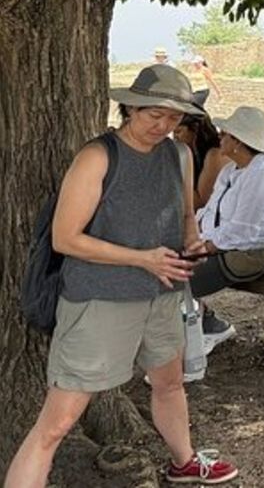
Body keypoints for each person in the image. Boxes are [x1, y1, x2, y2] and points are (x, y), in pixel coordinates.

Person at [4, 65, 238, 487]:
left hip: (162, 293)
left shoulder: (179, 155)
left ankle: (184, 461)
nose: (163, 125)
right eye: (154, 114)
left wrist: (192, 243)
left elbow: (186, 215)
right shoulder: (98, 156)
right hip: (99, 300)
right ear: (130, 108)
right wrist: (142, 259)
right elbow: (65, 238)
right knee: (57, 424)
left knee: (169, 384)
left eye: (174, 117)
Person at [189, 106, 264, 355]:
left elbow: (243, 232)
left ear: (238, 142)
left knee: (179, 280)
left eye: (224, 134)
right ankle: (203, 327)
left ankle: (194, 340)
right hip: (223, 246)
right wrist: (193, 237)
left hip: (250, 254)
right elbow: (209, 213)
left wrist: (204, 246)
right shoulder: (230, 170)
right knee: (166, 267)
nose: (219, 137)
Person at [174, 113, 229, 207]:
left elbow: (202, 202)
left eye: (178, 132)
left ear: (195, 129)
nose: (175, 138)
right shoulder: (195, 153)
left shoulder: (215, 155)